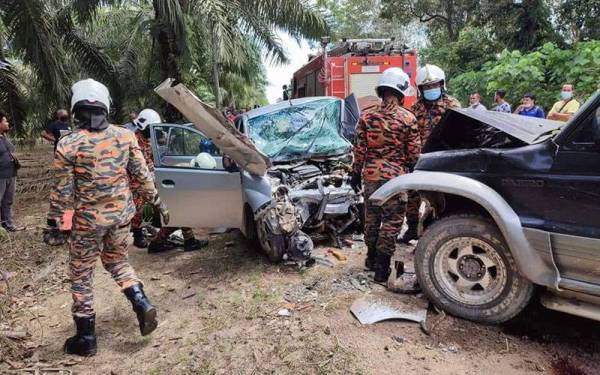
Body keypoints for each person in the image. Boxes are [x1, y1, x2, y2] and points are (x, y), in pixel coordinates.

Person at [43, 79, 169, 357]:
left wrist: (57, 226)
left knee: (81, 273)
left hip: (86, 223)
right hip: (121, 217)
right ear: (106, 104)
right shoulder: (125, 136)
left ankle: (86, 337)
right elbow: (143, 177)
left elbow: (62, 193)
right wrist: (159, 204)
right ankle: (141, 302)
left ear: (76, 107)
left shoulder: (69, 143)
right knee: (117, 261)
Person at [351, 67, 421, 288]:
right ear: (401, 92)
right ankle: (382, 269)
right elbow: (414, 154)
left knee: (371, 218)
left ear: (381, 91)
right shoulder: (408, 118)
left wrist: (355, 172)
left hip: (371, 176)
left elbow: (359, 149)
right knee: (391, 223)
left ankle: (371, 259)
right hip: (396, 178)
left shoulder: (367, 116)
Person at [130, 108, 209, 253]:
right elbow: (142, 168)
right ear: (146, 127)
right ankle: (147, 237)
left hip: (149, 183)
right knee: (172, 208)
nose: (156, 131)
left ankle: (181, 240)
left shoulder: (145, 140)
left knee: (176, 206)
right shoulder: (135, 142)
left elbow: (152, 162)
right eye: (153, 128)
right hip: (139, 186)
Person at [403, 64, 461, 244]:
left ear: (442, 84)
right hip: (421, 159)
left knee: (447, 195)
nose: (431, 89)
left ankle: (445, 228)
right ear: (420, 89)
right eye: (427, 87)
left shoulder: (453, 105)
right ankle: (412, 229)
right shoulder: (415, 109)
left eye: (434, 85)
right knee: (412, 194)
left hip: (446, 158)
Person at [0, 112, 18, 231]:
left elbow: (11, 150)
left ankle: (8, 224)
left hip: (11, 174)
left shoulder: (4, 137)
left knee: (8, 201)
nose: (8, 123)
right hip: (1, 175)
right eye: (5, 121)